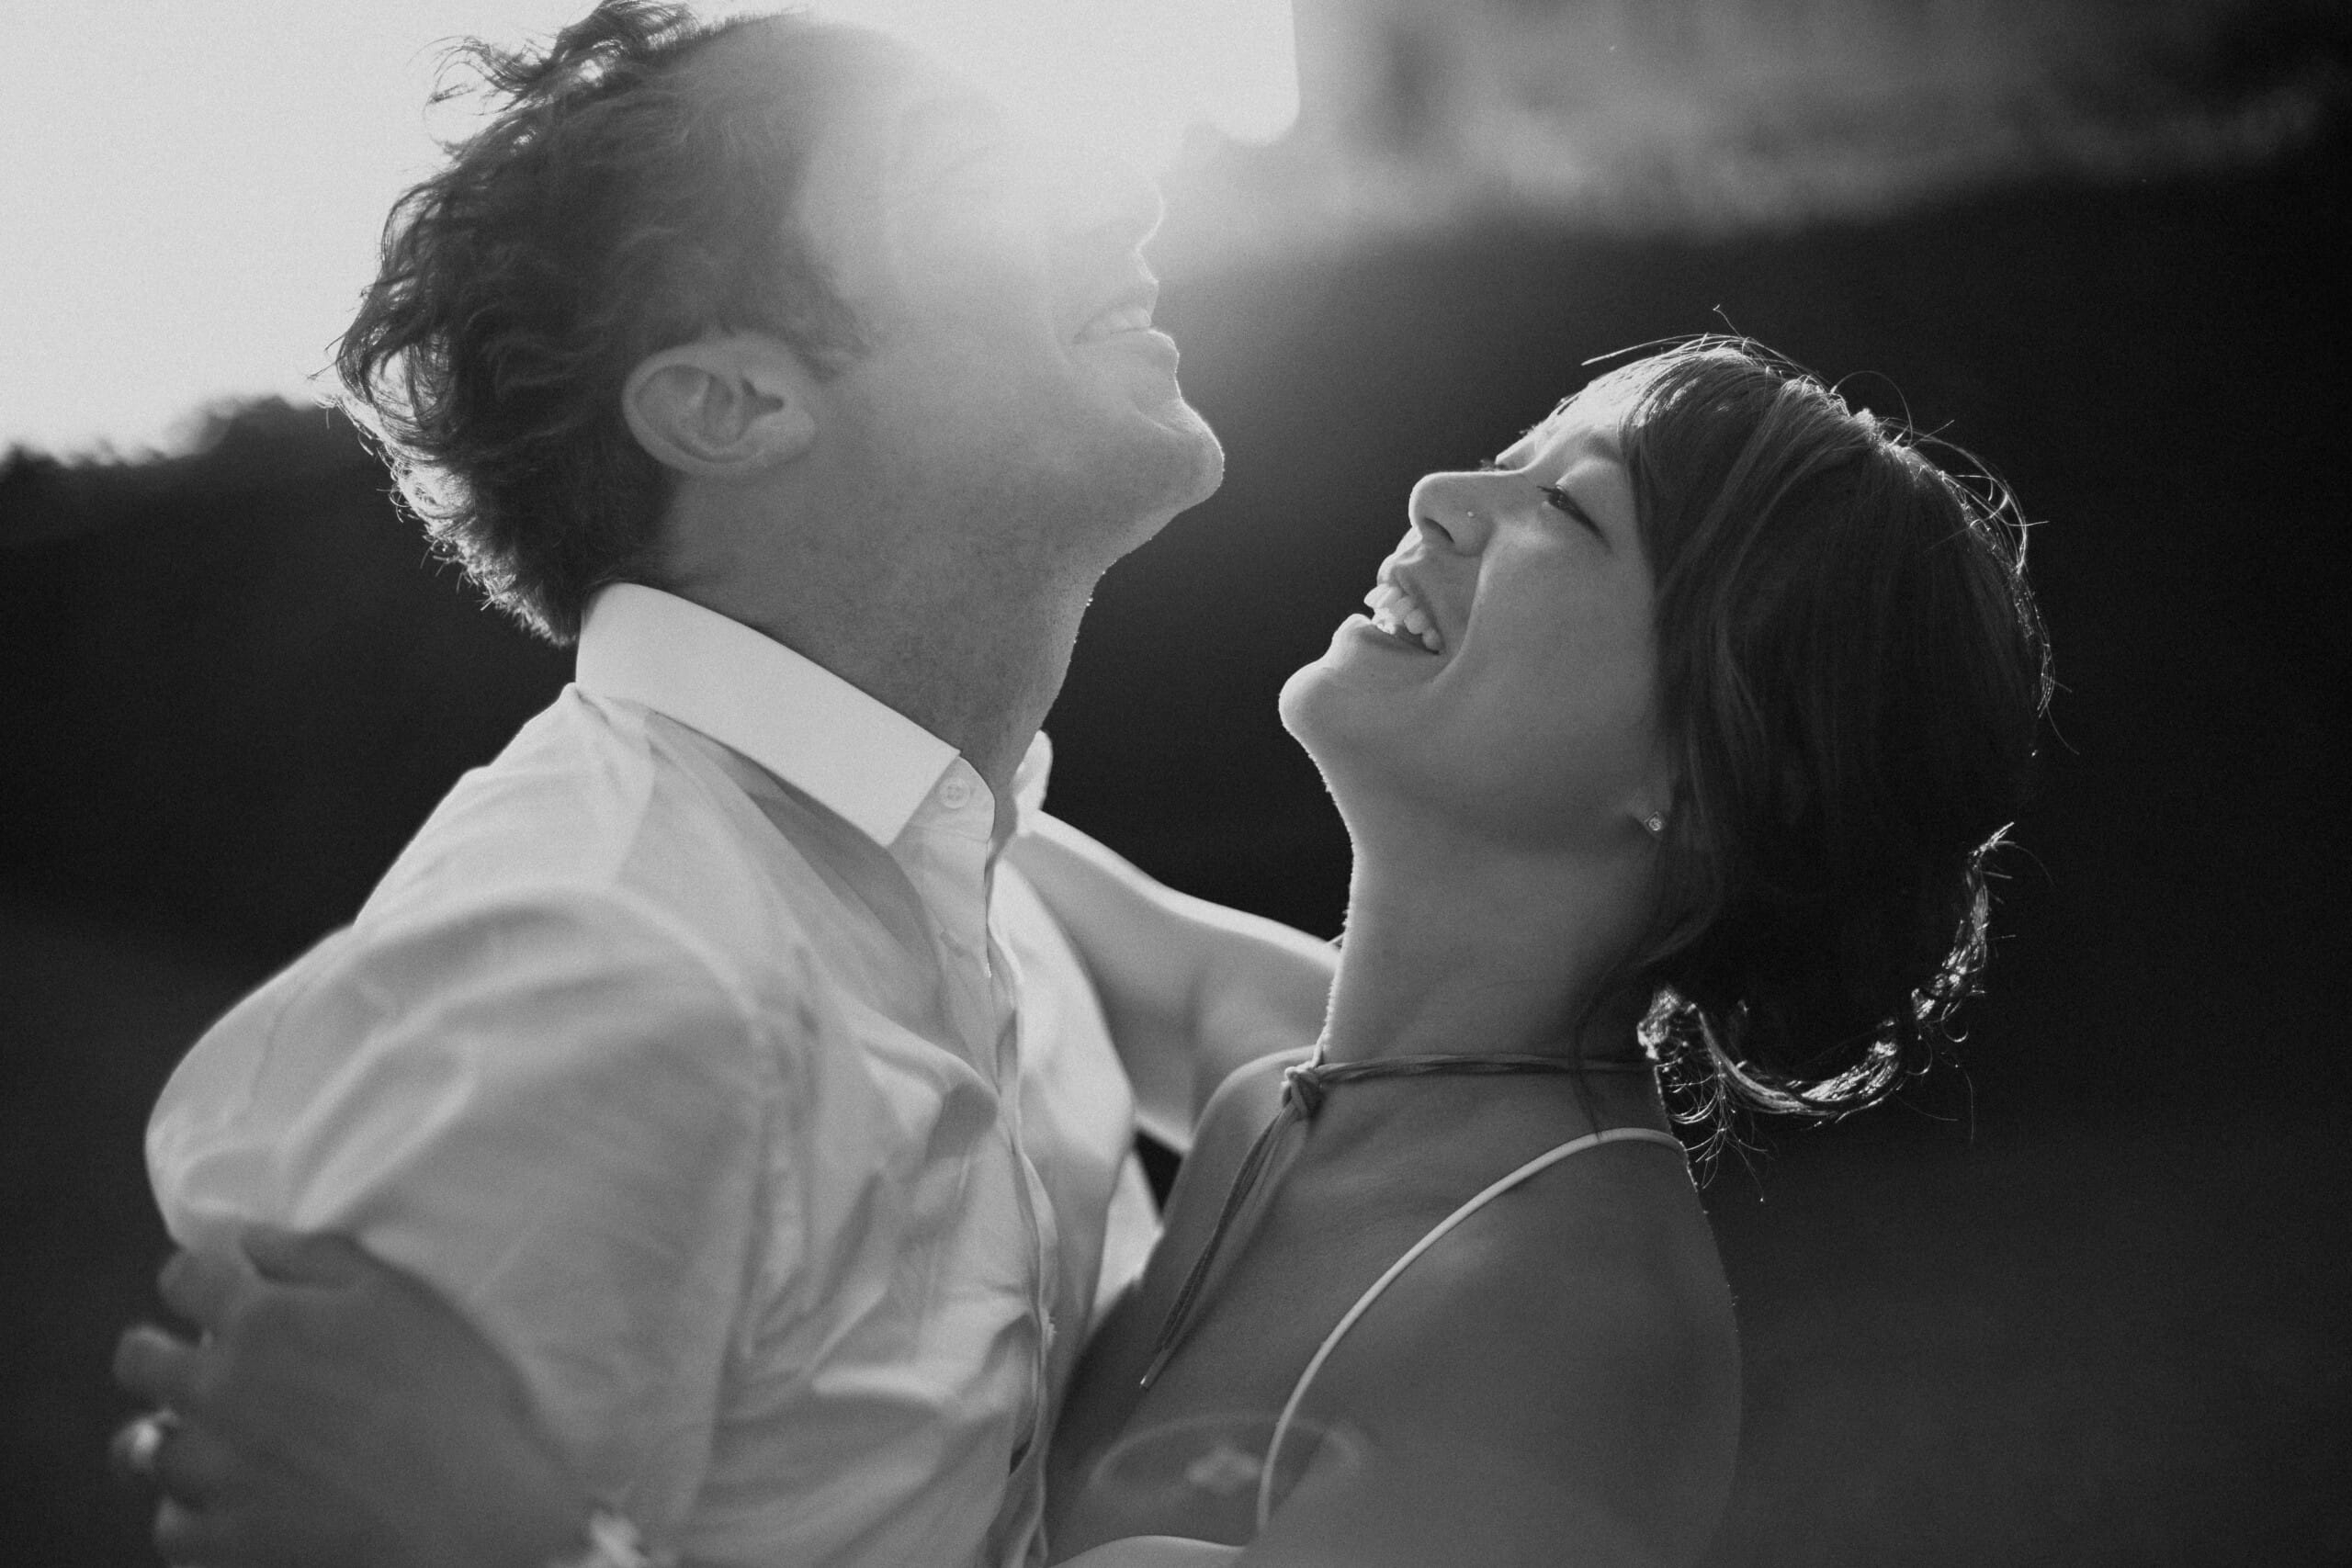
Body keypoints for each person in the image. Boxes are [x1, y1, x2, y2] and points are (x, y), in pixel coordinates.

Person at [117, 336, 2050, 1566]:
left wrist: (509, 1537)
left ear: (1698, 770)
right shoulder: (1300, 1062)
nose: (1441, 496)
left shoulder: (1561, 1331)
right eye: (1506, 449)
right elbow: (938, 808)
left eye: (1560, 509)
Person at [107, 5, 1340, 1566]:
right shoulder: (593, 969)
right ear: (733, 405)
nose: (1128, 193)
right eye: (968, 176)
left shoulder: (984, 890)